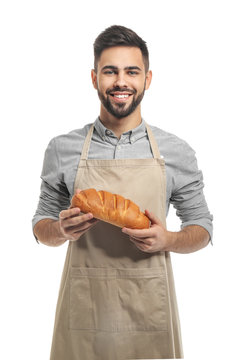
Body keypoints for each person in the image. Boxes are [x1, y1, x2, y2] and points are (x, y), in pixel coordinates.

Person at [32, 25, 213, 360]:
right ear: (94, 77)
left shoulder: (175, 151)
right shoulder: (62, 148)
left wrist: (169, 240)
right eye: (110, 71)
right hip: (84, 312)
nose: (121, 82)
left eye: (132, 71)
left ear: (147, 79)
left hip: (149, 308)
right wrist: (59, 230)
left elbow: (202, 227)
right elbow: (41, 224)